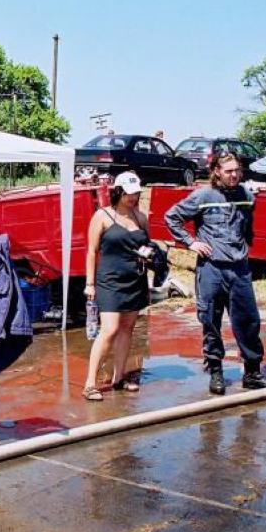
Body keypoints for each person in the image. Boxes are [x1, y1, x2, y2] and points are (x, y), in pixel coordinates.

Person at [165, 152, 266, 395]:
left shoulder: (247, 196)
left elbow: (248, 228)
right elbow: (172, 217)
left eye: (237, 170)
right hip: (211, 268)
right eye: (228, 171)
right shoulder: (203, 195)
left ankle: (252, 373)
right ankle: (216, 372)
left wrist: (244, 249)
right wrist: (191, 242)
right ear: (216, 172)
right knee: (211, 321)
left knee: (248, 321)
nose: (234, 175)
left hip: (240, 269)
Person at [82, 171, 150, 401]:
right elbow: (92, 251)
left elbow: (147, 246)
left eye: (136, 193)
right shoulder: (102, 216)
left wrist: (151, 257)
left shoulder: (140, 218)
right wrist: (90, 284)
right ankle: (90, 383)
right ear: (118, 192)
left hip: (135, 280)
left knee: (127, 328)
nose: (133, 198)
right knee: (109, 329)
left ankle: (118, 377)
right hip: (109, 281)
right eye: (129, 194)